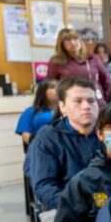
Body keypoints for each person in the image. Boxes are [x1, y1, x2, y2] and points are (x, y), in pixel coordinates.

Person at [27, 78, 101, 212]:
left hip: (108, 205)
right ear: (62, 107)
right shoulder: (47, 139)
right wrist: (76, 206)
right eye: (78, 101)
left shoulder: (109, 134)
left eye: (91, 101)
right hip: (62, 207)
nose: (86, 106)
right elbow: (44, 186)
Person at [46, 28, 111, 106]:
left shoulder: (93, 58)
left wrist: (105, 99)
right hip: (72, 105)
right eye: (68, 40)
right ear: (61, 44)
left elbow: (107, 81)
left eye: (75, 38)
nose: (73, 43)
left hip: (97, 103)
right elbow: (50, 86)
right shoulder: (56, 61)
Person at [15, 80, 57, 150]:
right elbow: (25, 136)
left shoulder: (65, 111)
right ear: (42, 92)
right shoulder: (30, 111)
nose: (57, 89)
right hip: (41, 149)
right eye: (52, 87)